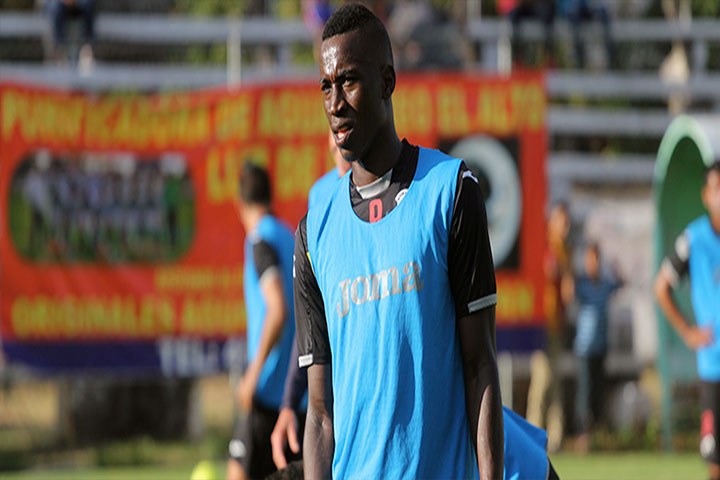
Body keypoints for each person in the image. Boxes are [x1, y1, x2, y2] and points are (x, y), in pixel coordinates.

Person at [293, 4, 503, 479]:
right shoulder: (313, 231)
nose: (334, 103)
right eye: (326, 86)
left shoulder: (451, 191)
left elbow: (480, 368)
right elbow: (320, 414)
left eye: (349, 81)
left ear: (387, 81)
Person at [270, 133, 350, 470]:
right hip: (329, 396)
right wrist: (289, 402)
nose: (337, 137)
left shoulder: (390, 192)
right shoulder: (321, 195)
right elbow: (311, 315)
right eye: (331, 130)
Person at [227, 163, 298, 480]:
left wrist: (252, 376)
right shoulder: (289, 236)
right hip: (295, 393)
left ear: (239, 203)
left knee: (236, 472)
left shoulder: (259, 240)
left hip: (268, 390)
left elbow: (278, 310)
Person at [655, 161, 720, 480]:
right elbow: (661, 287)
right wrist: (688, 332)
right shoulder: (694, 239)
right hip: (713, 366)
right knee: (716, 460)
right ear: (706, 194)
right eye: (717, 189)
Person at [526, 201, 573, 451]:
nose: (565, 228)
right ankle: (534, 432)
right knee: (542, 379)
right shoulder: (543, 246)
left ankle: (555, 436)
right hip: (541, 323)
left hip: (557, 324)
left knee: (555, 381)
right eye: (562, 222)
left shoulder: (564, 251)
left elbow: (567, 290)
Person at [571, 241, 622, 453]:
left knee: (598, 392)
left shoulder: (606, 284)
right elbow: (568, 292)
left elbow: (621, 283)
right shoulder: (581, 284)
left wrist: (617, 269)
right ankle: (582, 434)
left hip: (601, 347)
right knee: (585, 392)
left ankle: (598, 434)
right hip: (584, 347)